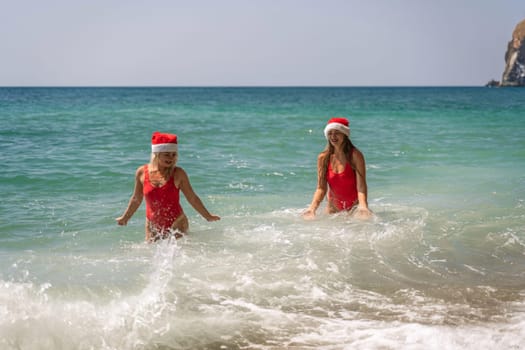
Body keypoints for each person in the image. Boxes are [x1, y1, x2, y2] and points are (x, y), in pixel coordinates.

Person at [116, 131, 220, 242]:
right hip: (152, 225)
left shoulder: (178, 173)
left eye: (173, 154)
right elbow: (136, 198)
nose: (171, 158)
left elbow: (192, 198)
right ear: (156, 154)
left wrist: (207, 216)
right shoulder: (142, 172)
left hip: (177, 222)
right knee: (150, 255)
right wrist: (125, 218)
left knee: (179, 256)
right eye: (167, 154)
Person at [303, 117, 372, 219]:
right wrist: (312, 208)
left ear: (345, 134)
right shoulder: (323, 158)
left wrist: (363, 206)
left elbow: (361, 185)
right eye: (330, 133)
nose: (333, 136)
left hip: (354, 209)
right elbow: (321, 188)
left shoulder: (355, 155)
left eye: (337, 132)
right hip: (333, 210)